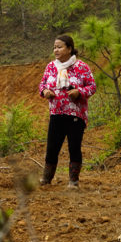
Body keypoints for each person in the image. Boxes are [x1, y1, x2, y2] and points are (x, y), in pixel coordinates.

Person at [38, 34, 96, 189]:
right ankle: (46, 179)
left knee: (74, 147)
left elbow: (92, 86)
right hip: (56, 113)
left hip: (75, 114)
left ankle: (73, 181)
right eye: (54, 47)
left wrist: (79, 92)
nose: (56, 50)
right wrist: (45, 92)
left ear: (69, 49)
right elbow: (42, 84)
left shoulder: (81, 67)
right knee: (52, 147)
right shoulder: (51, 66)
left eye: (59, 47)